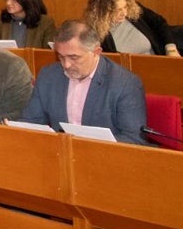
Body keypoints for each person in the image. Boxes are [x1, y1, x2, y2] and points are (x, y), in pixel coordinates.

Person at [20, 21, 148, 144]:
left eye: (74, 57)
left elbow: (134, 139)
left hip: (105, 158)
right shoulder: (48, 76)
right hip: (59, 156)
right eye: (60, 56)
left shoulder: (125, 83)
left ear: (96, 52)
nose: (66, 65)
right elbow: (31, 122)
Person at [84, 0, 179, 57]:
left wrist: (171, 48)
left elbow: (159, 23)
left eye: (125, 7)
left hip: (161, 61)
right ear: (103, 12)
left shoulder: (133, 10)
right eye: (118, 10)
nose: (124, 13)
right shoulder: (96, 35)